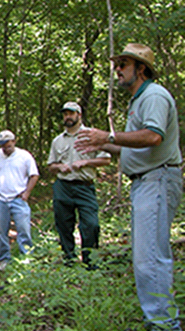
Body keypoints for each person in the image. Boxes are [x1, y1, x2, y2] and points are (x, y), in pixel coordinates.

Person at [75, 44, 183, 331]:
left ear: (141, 68)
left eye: (123, 64)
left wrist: (108, 135)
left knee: (150, 258)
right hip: (145, 182)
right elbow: (133, 146)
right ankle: (160, 320)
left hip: (157, 180)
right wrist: (101, 144)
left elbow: (152, 137)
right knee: (145, 256)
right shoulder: (138, 101)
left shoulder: (154, 95)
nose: (117, 70)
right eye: (117, 65)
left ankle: (164, 325)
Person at [48, 102, 111, 268]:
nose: (68, 117)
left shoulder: (91, 135)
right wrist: (59, 167)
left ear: (79, 115)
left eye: (71, 113)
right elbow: (51, 166)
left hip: (85, 186)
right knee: (63, 223)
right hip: (63, 186)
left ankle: (90, 261)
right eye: (65, 114)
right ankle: (69, 259)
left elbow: (106, 159)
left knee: (91, 224)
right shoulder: (57, 141)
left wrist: (85, 162)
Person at [0, 130, 39, 270]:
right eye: (2, 145)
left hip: (18, 198)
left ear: (14, 141)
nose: (5, 148)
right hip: (0, 198)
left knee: (23, 229)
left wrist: (27, 193)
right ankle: (4, 259)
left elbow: (34, 175)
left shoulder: (24, 156)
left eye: (8, 144)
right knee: (1, 231)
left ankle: (26, 257)